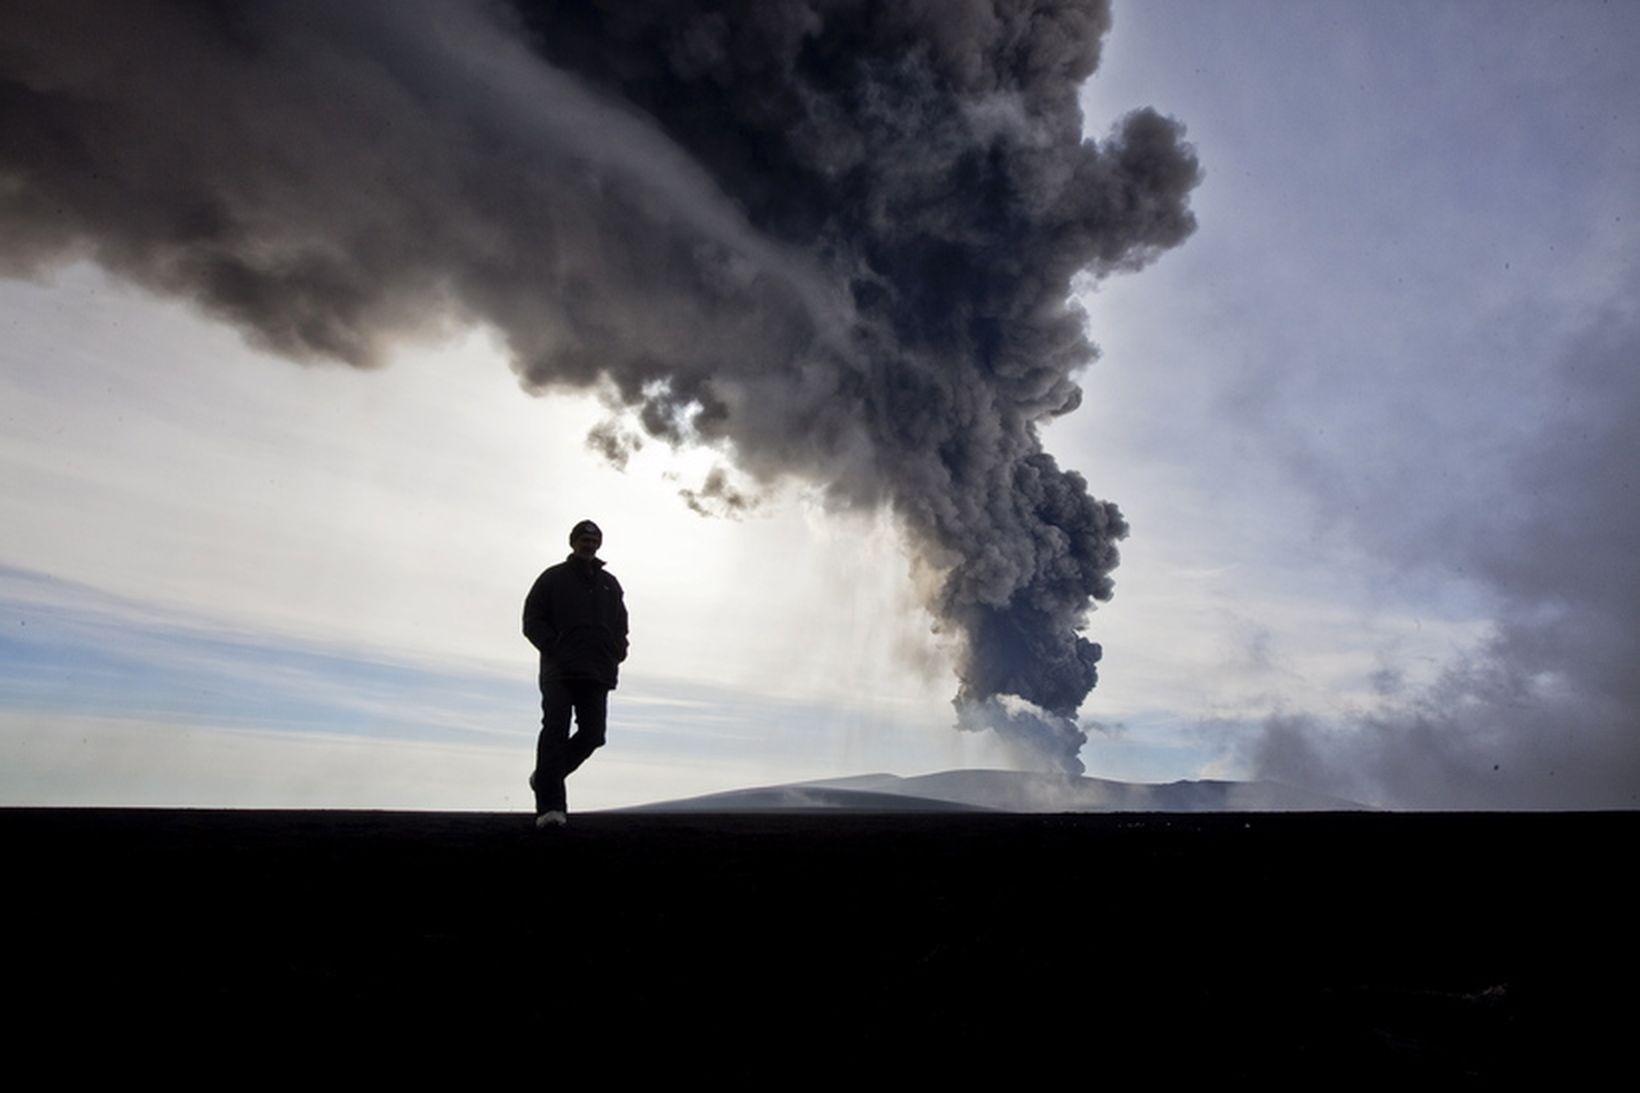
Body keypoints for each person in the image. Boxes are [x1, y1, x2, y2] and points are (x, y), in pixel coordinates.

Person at [523, 519, 628, 828]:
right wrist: (553, 646)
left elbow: (621, 622)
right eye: (584, 539)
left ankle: (545, 777)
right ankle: (551, 810)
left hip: (597, 670)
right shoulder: (552, 578)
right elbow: (532, 618)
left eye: (594, 540)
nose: (589, 544)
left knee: (593, 734)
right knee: (555, 730)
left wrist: (617, 650)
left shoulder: (610, 583)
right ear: (573, 542)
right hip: (559, 670)